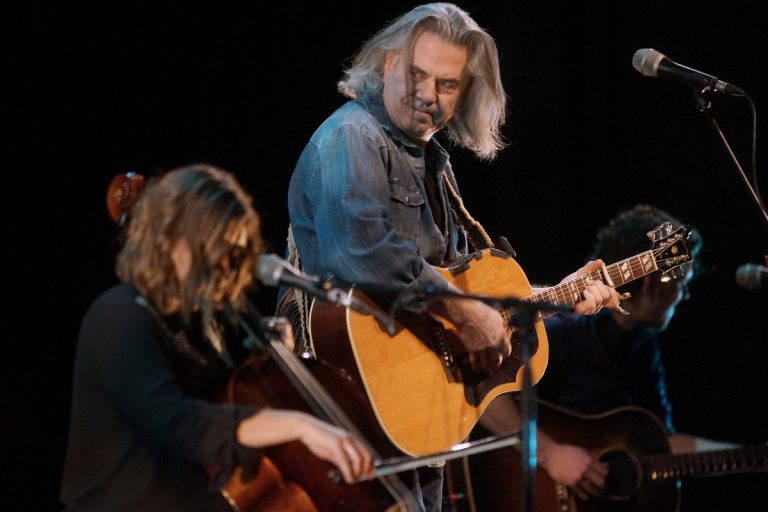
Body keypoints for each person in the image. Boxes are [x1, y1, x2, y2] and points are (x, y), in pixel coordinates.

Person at [281, 4, 619, 510]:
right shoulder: (353, 137)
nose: (427, 95)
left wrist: (554, 299)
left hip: (414, 428)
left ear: (465, 93)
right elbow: (361, 251)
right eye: (417, 75)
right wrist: (465, 313)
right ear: (389, 64)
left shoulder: (434, 164)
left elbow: (466, 294)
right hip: (352, 420)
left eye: (446, 84)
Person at [60, 164, 373, 511]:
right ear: (171, 239)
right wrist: (301, 425)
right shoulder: (120, 317)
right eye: (216, 249)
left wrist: (267, 353)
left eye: (234, 255)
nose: (225, 268)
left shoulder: (212, 320)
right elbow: (182, 425)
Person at [506, 204, 740, 502]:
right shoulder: (566, 328)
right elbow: (488, 397)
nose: (685, 295)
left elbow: (663, 444)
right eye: (682, 284)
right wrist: (550, 454)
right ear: (651, 284)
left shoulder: (644, 348)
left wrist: (749, 456)